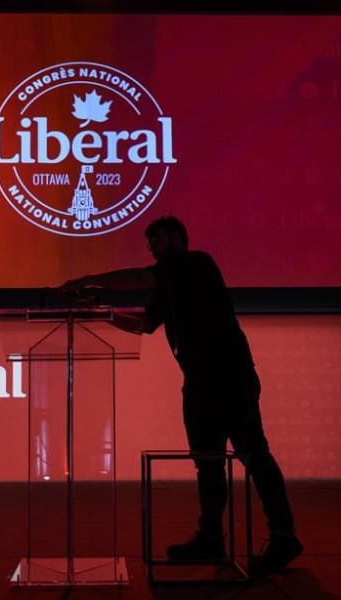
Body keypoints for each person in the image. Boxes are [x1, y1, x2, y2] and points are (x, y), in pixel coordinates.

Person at [59, 215, 303, 574]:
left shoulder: (196, 263)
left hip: (229, 376)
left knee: (254, 454)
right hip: (199, 382)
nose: (152, 247)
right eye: (149, 243)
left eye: (156, 239)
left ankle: (283, 535)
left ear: (176, 237)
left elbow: (143, 277)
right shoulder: (167, 287)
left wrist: (87, 280)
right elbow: (144, 324)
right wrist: (98, 312)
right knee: (207, 461)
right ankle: (210, 537)